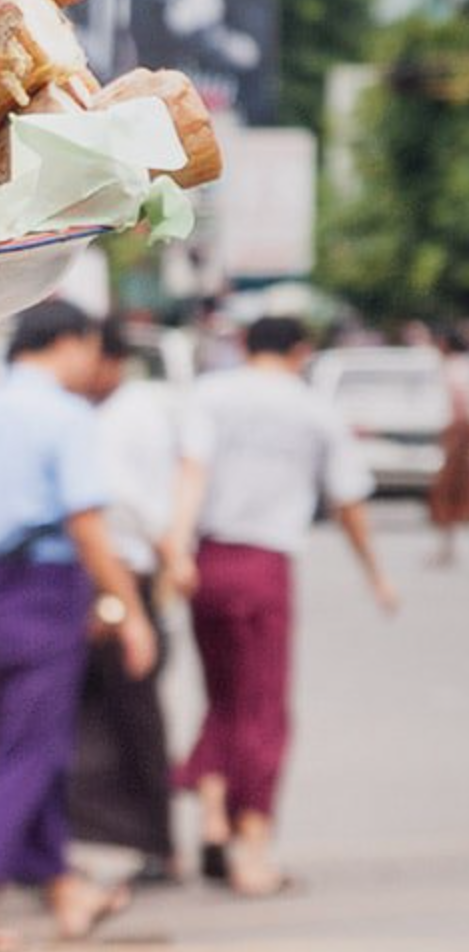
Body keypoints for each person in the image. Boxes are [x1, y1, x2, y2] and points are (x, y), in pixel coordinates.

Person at [0, 300, 154, 944]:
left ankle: (62, 887)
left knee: (26, 737)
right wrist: (130, 610)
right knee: (29, 748)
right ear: (73, 343)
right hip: (44, 588)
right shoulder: (66, 416)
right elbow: (87, 523)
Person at [180, 316, 398, 896]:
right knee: (263, 709)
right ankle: (252, 850)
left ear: (245, 345)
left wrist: (178, 550)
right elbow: (348, 502)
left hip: (209, 559)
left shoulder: (210, 394)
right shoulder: (313, 409)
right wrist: (375, 573)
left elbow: (190, 473)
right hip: (265, 566)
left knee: (223, 696)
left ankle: (212, 811)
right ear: (301, 352)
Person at [72, 320, 208, 885]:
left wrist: (168, 551)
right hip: (130, 573)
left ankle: (155, 840)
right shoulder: (140, 410)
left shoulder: (121, 417)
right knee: (126, 715)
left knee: (132, 716)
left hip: (119, 576)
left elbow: (121, 502)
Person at [429, 325, 469, 567]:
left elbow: (460, 408)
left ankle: (446, 549)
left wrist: (452, 438)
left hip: (460, 433)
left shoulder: (453, 367)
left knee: (448, 493)